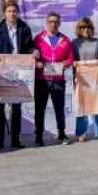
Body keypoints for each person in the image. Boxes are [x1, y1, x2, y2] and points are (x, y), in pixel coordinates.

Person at [0, 1, 34, 151]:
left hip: (19, 72)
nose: (12, 14)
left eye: (14, 11)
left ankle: (15, 140)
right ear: (4, 13)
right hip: (2, 72)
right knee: (0, 108)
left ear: (17, 13)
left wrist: (34, 51)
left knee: (17, 108)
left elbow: (30, 46)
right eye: (9, 11)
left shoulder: (24, 28)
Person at [34, 11, 75, 146]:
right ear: (46, 23)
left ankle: (61, 134)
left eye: (56, 22)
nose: (54, 24)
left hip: (58, 80)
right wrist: (36, 63)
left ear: (60, 23)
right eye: (51, 22)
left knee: (59, 108)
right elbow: (31, 56)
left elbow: (71, 58)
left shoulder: (65, 40)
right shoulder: (38, 39)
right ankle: (39, 136)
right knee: (40, 109)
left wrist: (65, 64)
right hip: (41, 80)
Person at [71, 17, 98, 142]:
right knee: (81, 104)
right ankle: (81, 132)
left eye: (88, 27)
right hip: (81, 79)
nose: (86, 29)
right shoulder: (75, 43)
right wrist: (73, 63)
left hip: (96, 79)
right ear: (79, 29)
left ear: (91, 29)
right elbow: (71, 59)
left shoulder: (97, 42)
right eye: (83, 27)